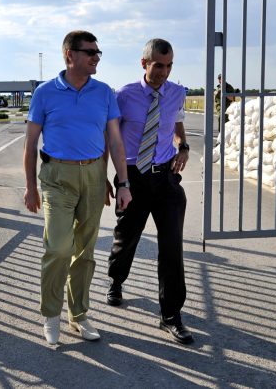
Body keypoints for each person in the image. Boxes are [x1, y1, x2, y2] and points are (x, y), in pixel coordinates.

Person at [23, 30, 132, 345]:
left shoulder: (104, 92)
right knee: (58, 248)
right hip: (57, 177)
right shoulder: (45, 93)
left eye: (99, 53)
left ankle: (79, 315)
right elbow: (30, 145)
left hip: (94, 176)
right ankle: (51, 314)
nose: (97, 57)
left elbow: (114, 139)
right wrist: (31, 187)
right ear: (70, 55)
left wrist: (120, 182)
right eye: (90, 52)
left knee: (84, 252)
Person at [106, 38, 194, 345]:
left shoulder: (177, 93)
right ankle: (116, 279)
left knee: (172, 246)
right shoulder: (123, 96)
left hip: (166, 176)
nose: (164, 72)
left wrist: (182, 147)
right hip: (133, 176)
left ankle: (171, 315)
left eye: (169, 66)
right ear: (144, 63)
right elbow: (111, 137)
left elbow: (176, 123)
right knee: (126, 236)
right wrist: (114, 179)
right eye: (159, 65)